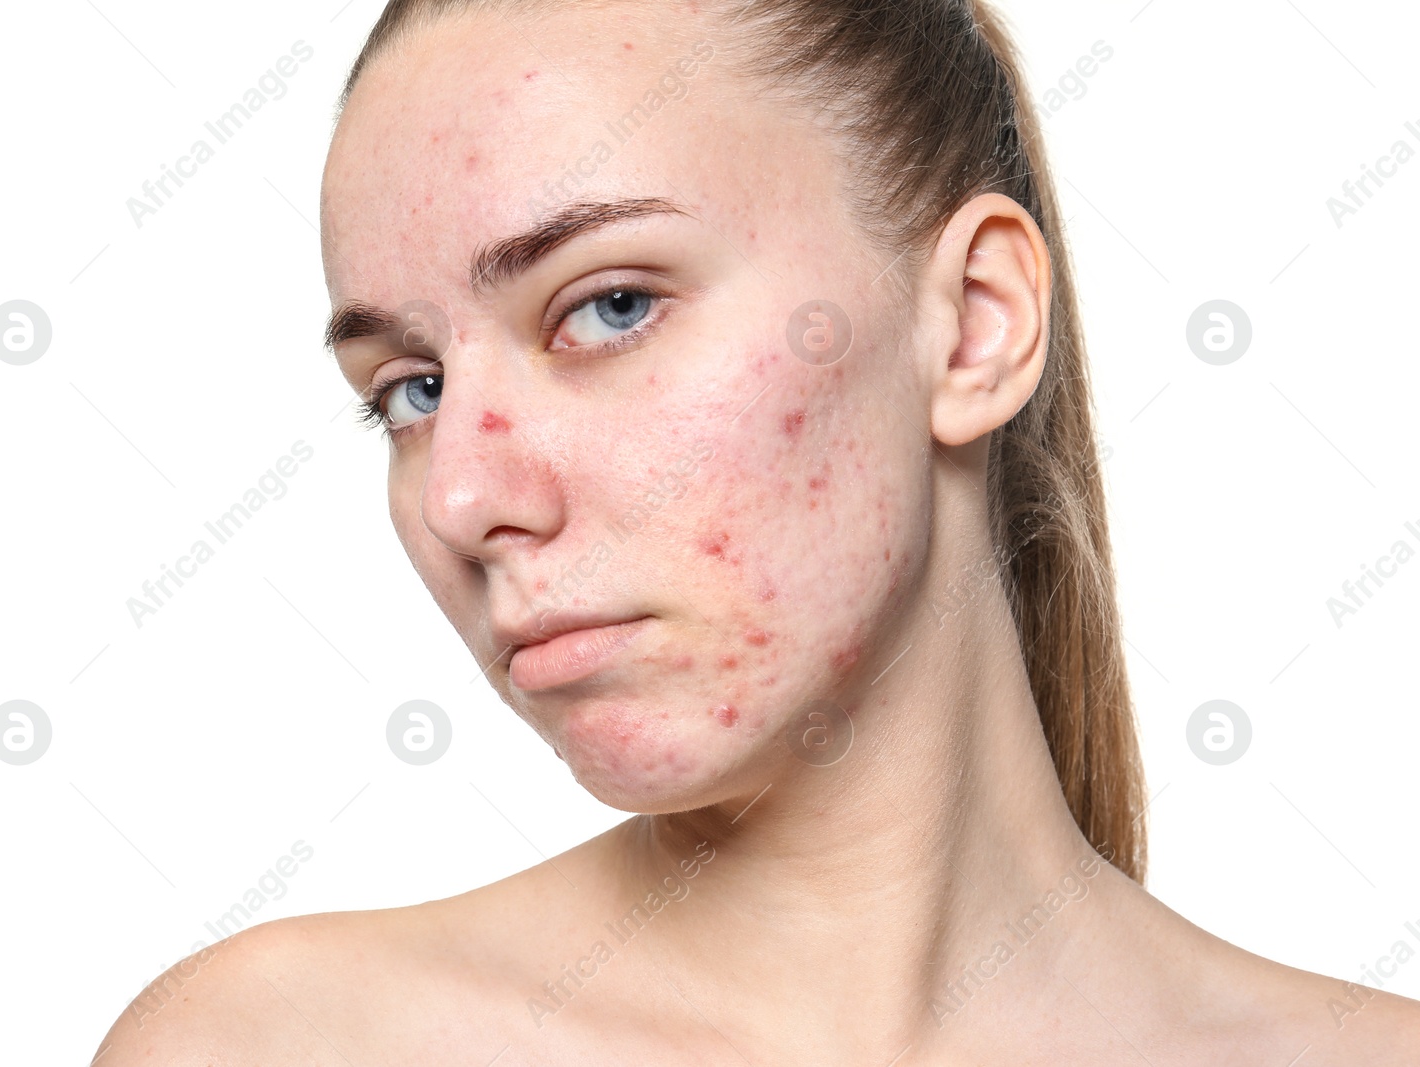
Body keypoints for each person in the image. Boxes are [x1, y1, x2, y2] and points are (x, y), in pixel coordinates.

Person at [93, 0, 1420, 1061]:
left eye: (609, 307)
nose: (461, 497)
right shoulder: (281, 1048)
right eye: (412, 391)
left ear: (973, 323)